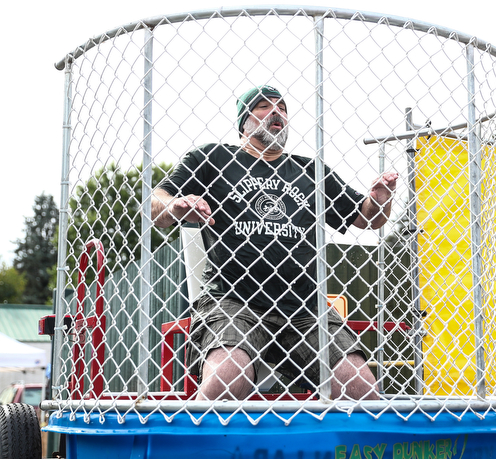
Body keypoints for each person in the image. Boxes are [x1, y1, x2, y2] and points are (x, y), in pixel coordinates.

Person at [151, 84, 397, 401]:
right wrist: (176, 206)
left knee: (362, 387)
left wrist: (381, 198)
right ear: (245, 120)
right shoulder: (213, 157)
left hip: (306, 308)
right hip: (235, 300)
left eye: (282, 107)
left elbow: (367, 218)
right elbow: (156, 201)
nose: (277, 112)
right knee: (226, 379)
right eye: (265, 106)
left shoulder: (311, 170)